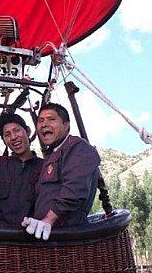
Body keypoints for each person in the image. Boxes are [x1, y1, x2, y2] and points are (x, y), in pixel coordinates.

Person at [24, 102, 101, 240]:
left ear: (66, 125)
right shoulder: (51, 156)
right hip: (45, 235)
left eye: (51, 119)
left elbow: (74, 190)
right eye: (40, 120)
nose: (44, 124)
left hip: (66, 237)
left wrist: (48, 220)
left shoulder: (78, 148)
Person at [0, 112, 42, 227]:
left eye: (17, 130)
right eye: (7, 135)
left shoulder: (45, 167)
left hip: (32, 236)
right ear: (4, 140)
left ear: (28, 131)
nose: (14, 137)